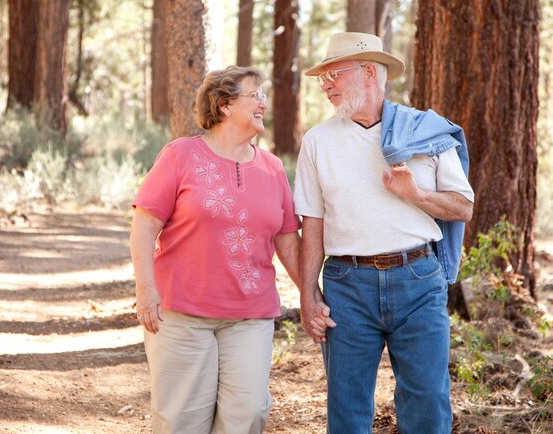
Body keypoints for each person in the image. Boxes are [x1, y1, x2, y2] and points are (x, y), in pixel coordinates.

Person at [294, 32, 475, 433]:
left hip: (418, 280)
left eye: (333, 75)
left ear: (369, 73)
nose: (326, 86)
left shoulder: (424, 133)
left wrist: (416, 194)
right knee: (347, 407)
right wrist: (308, 296)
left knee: (427, 401)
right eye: (322, 78)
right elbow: (313, 223)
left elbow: (463, 206)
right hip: (346, 284)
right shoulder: (317, 142)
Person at [129, 65, 301, 434]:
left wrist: (311, 296)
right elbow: (144, 224)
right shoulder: (180, 155)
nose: (263, 104)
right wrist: (145, 290)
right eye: (255, 95)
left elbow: (287, 238)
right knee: (181, 421)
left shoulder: (272, 168)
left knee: (249, 413)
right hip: (182, 314)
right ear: (224, 105)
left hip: (250, 315)